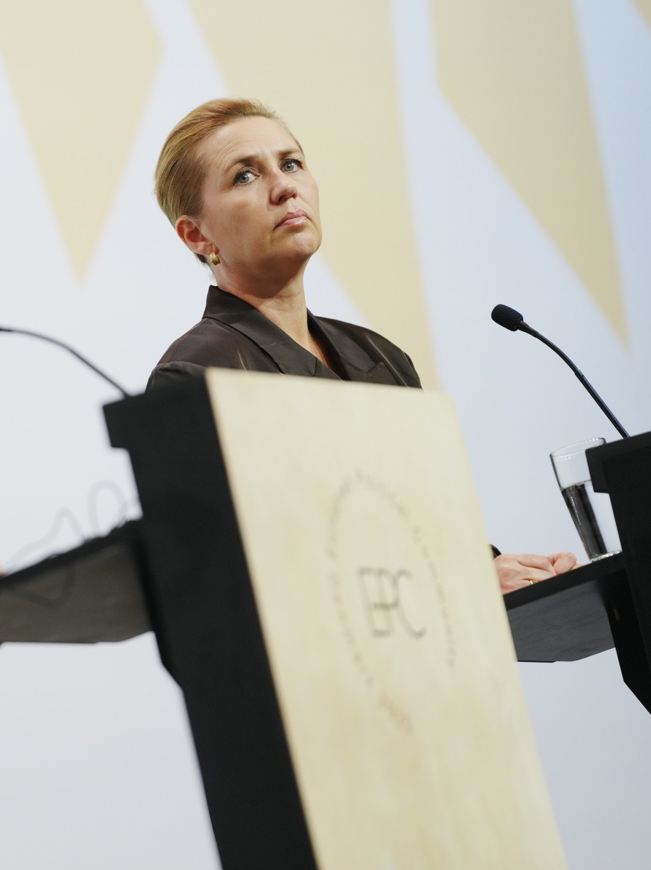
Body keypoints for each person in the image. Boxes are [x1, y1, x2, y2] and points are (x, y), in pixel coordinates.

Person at [148, 98, 575, 592]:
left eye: (291, 164)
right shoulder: (194, 376)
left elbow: (433, 528)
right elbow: (228, 580)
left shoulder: (382, 357)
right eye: (245, 176)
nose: (285, 187)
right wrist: (454, 583)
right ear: (196, 235)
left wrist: (489, 572)